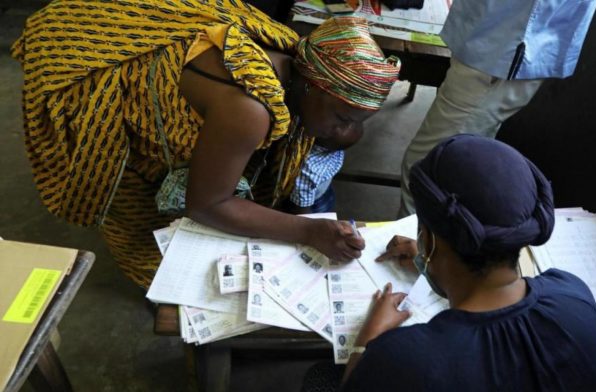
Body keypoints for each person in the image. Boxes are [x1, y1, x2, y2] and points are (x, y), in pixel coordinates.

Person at [12, 2, 400, 288]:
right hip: (85, 68)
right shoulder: (249, 111)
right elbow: (206, 204)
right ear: (313, 86)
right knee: (156, 254)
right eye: (343, 119)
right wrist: (308, 231)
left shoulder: (296, 52)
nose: (345, 133)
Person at [340, 135, 596, 391]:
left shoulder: (403, 360)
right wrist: (429, 260)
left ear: (428, 241)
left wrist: (368, 340)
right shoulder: (573, 294)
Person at [399, 0, 596, 215]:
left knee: (427, 171)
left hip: (501, 49)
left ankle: (416, 246)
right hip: (495, 41)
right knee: (442, 168)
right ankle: (422, 244)